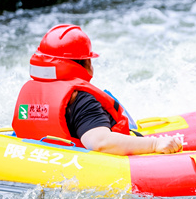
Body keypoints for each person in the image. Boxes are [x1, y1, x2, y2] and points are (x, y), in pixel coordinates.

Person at [12, 24, 182, 155]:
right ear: (85, 62)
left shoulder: (32, 92)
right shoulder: (81, 98)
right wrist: (155, 144)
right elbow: (100, 142)